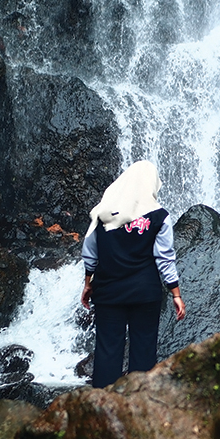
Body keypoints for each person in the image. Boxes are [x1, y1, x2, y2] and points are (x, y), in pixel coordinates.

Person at [81, 160, 186, 388]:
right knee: (144, 349)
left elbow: (90, 252)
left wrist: (88, 283)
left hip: (108, 291)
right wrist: (175, 293)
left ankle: (102, 407)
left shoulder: (103, 213)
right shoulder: (159, 216)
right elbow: (165, 258)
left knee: (107, 350)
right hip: (145, 292)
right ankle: (140, 407)